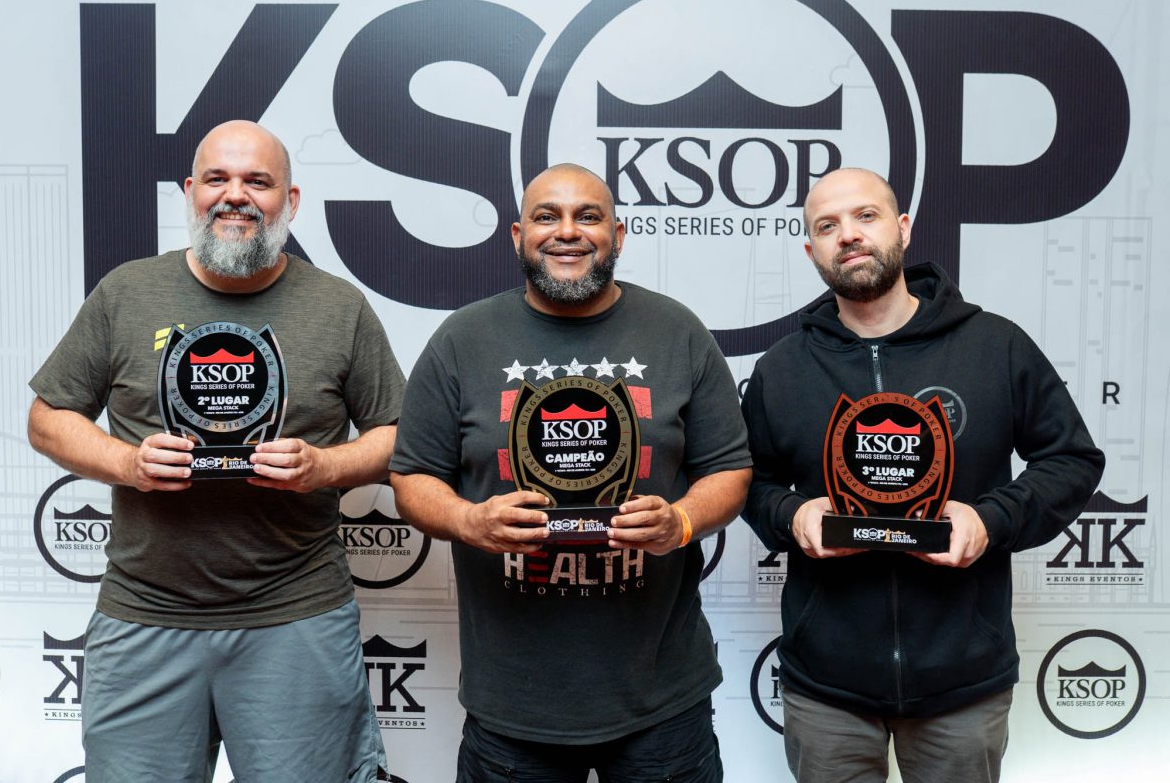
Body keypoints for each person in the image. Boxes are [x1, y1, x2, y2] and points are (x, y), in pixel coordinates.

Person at [27, 120, 405, 782]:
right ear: (189, 192)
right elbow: (47, 417)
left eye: (257, 181)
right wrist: (126, 463)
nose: (235, 195)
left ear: (290, 201)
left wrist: (325, 466)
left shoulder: (339, 307)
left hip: (297, 615)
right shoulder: (126, 293)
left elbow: (399, 435)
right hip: (145, 616)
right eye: (217, 179)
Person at [389, 163, 751, 782]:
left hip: (661, 701)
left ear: (618, 234)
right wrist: (469, 520)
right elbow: (412, 476)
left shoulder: (678, 331)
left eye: (588, 217)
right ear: (517, 235)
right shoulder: (462, 339)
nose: (567, 232)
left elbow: (730, 470)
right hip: (512, 707)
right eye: (546, 217)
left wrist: (682, 521)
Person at [741, 168, 1104, 782]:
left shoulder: (995, 345)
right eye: (827, 226)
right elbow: (746, 480)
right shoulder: (783, 367)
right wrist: (792, 513)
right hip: (827, 685)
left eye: (866, 216)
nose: (848, 235)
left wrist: (990, 520)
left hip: (962, 681)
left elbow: (1072, 459)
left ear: (903, 228)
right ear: (811, 251)